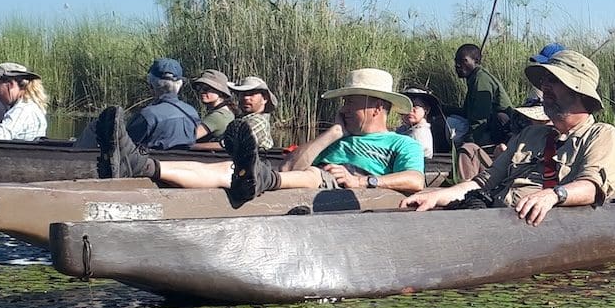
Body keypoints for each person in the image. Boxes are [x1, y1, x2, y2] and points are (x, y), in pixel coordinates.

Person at [97, 68, 424, 204]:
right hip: (289, 181)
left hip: (341, 192)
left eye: (351, 102)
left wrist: (363, 181)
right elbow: (291, 166)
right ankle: (142, 166)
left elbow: (414, 181)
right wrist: (334, 132)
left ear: (377, 107)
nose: (345, 107)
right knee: (225, 168)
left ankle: (254, 178)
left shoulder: (401, 143)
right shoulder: (336, 135)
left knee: (313, 175)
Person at [404, 49, 615, 225]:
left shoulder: (601, 135)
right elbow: (485, 181)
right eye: (544, 80)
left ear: (577, 90)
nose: (544, 86)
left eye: (553, 80)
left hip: (539, 225)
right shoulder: (530, 135)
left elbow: (592, 187)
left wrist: (553, 195)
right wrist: (438, 196)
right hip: (496, 219)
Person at [449, 43, 509, 145]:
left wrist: (470, 142)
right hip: (487, 126)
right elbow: (466, 112)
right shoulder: (474, 79)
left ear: (476, 61)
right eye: (456, 61)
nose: (457, 65)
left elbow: (480, 117)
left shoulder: (481, 80)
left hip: (497, 130)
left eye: (464, 61)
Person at [227, 76, 279, 149]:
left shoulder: (258, 121)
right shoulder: (242, 119)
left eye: (251, 94)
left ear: (264, 98)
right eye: (243, 94)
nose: (246, 98)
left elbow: (229, 144)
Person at [191, 70, 237, 145]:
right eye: (199, 88)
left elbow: (189, 137)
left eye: (206, 89)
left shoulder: (217, 116)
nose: (201, 92)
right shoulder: (228, 111)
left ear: (220, 92)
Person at [398, 87, 445, 159]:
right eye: (407, 106)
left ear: (426, 110)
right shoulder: (404, 129)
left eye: (415, 106)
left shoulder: (419, 133)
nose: (410, 110)